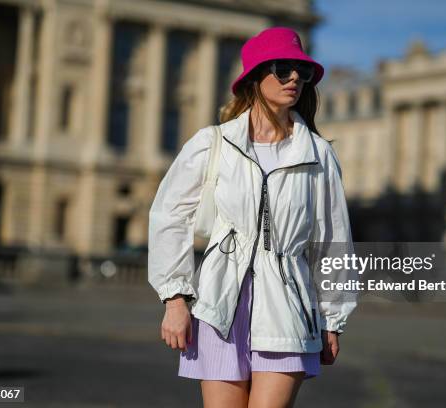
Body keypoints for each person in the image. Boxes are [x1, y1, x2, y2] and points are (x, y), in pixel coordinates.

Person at [148, 26, 357, 407]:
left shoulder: (318, 154)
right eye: (283, 68)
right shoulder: (212, 143)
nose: (294, 77)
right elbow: (168, 216)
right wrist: (175, 299)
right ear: (255, 76)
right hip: (219, 304)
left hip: (288, 307)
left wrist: (332, 316)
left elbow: (333, 240)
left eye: (302, 71)